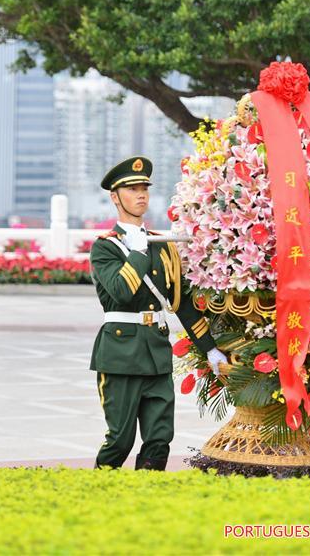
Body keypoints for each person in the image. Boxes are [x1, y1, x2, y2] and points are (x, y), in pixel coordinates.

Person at [89, 157, 228, 470]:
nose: (141, 194)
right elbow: (121, 291)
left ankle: (148, 494)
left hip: (156, 352)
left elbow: (182, 303)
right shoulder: (106, 247)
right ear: (115, 197)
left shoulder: (161, 245)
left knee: (159, 437)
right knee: (120, 439)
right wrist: (138, 252)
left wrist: (210, 349)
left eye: (144, 188)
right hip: (120, 355)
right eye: (132, 189)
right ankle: (98, 491)